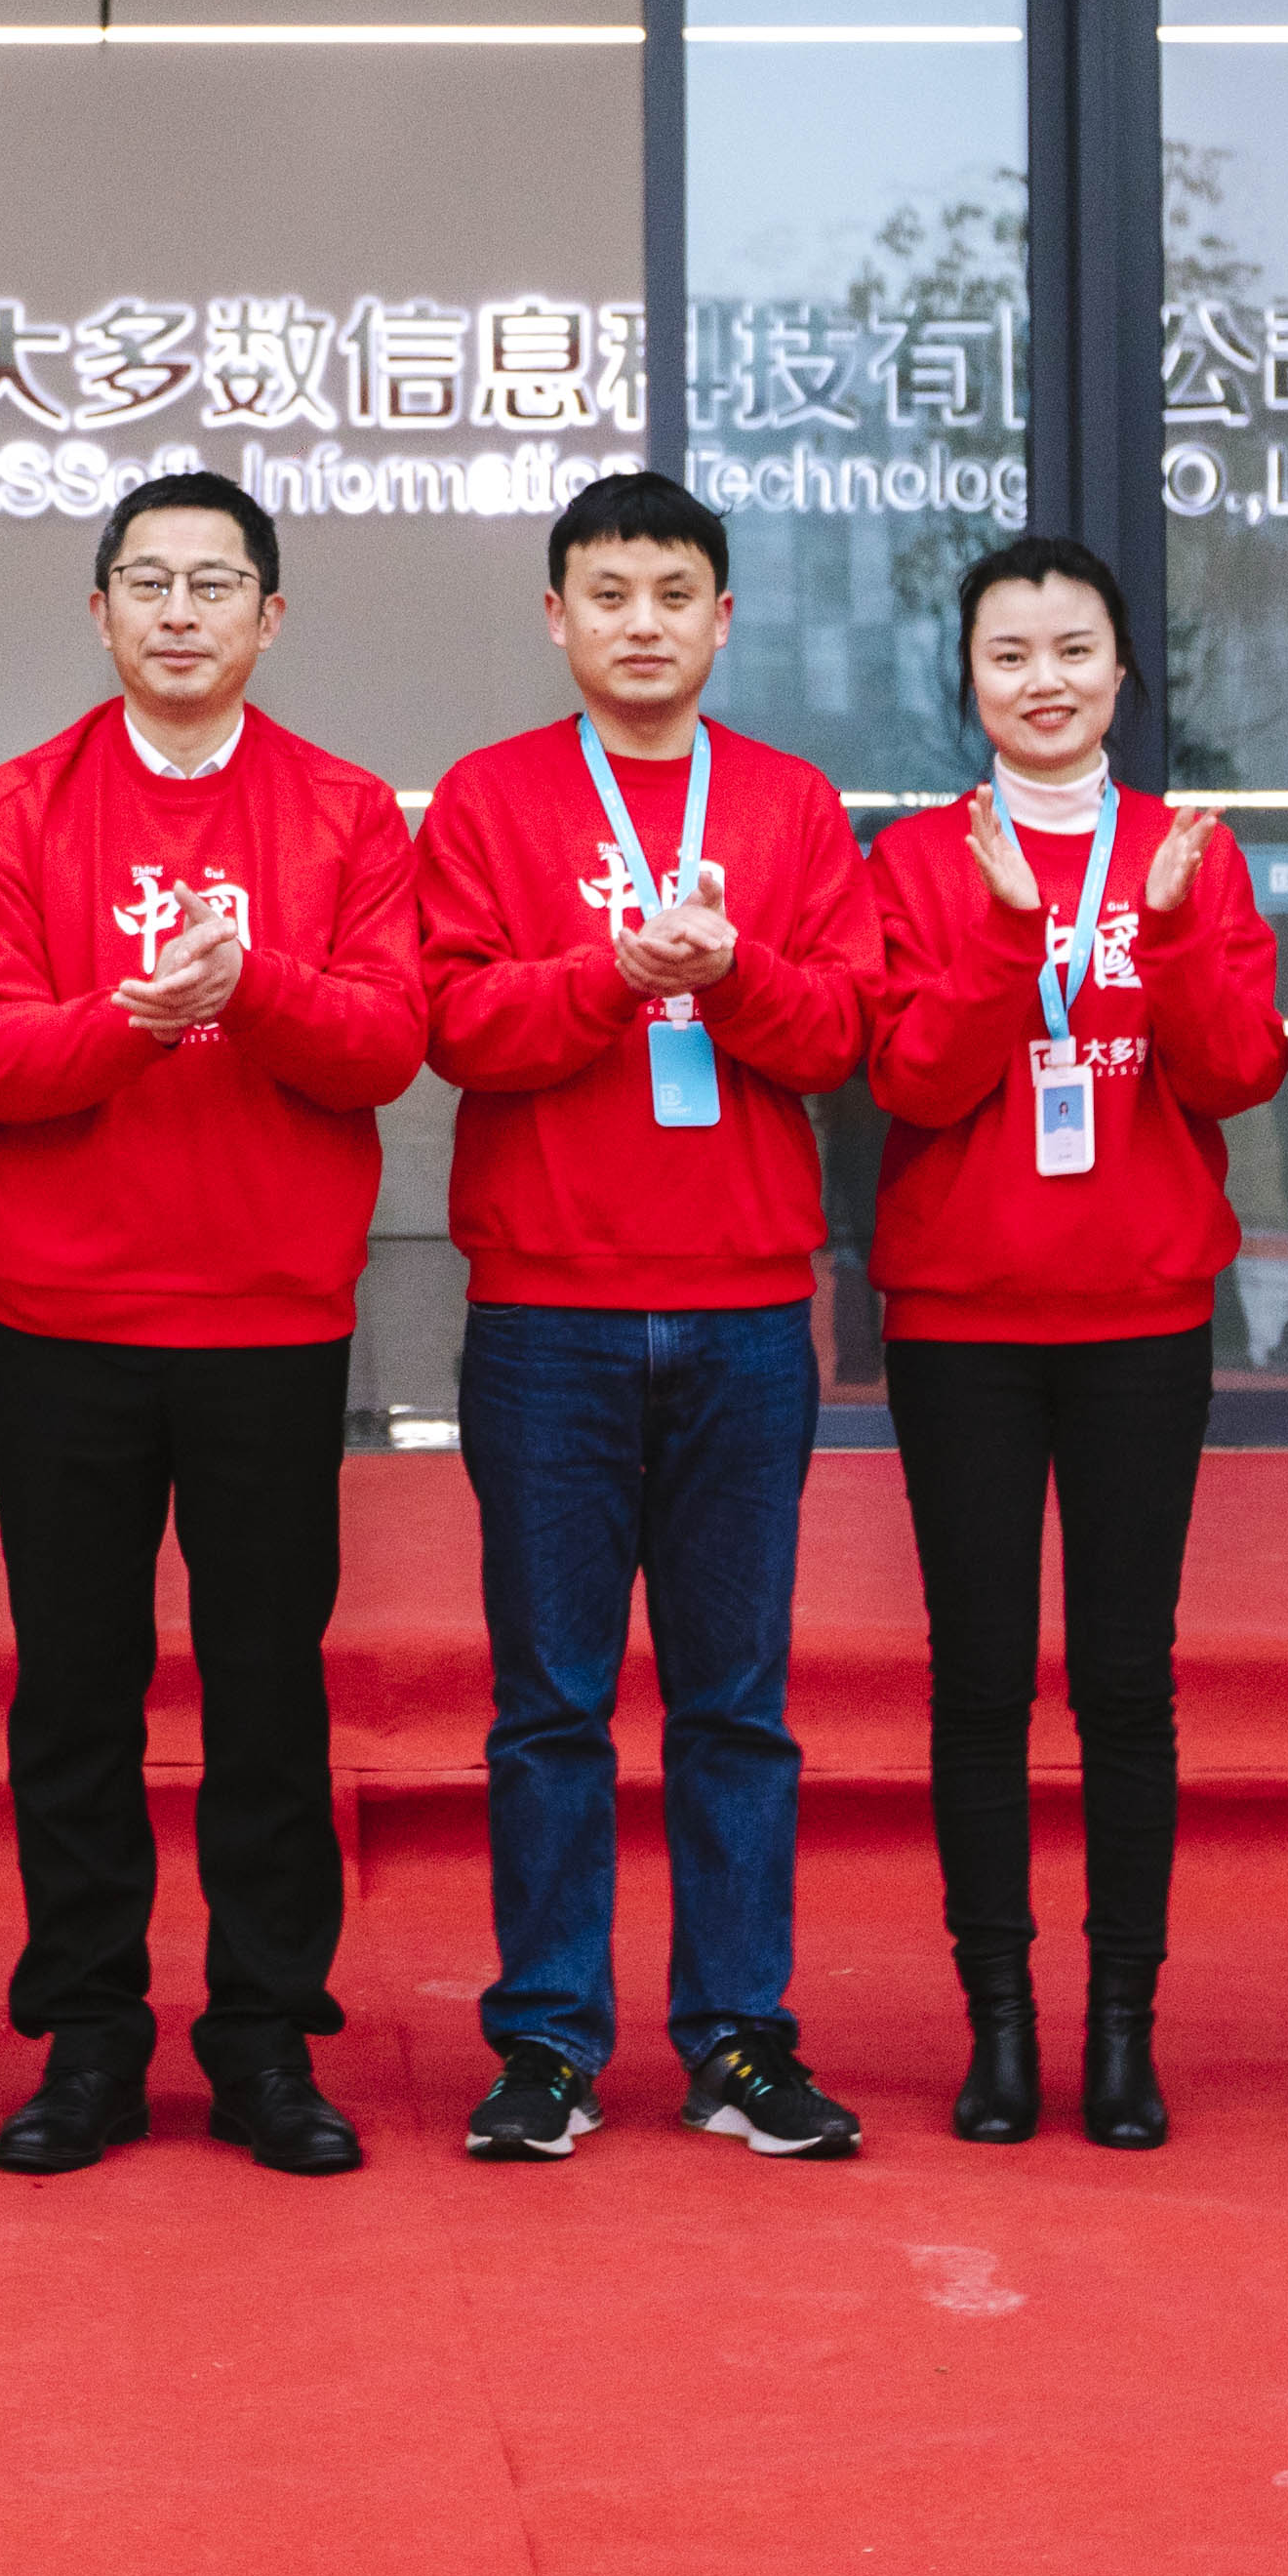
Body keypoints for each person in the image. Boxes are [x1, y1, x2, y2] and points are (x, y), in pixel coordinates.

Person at [0, 470, 424, 2181]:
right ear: (100, 613)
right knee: (76, 1693)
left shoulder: (346, 812)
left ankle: (267, 2037)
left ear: (269, 619)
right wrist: (138, 1022)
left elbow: (386, 1045)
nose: (180, 611)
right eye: (148, 581)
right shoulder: (15, 810)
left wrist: (252, 987)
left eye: (216, 584)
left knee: (267, 1692)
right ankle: (88, 2038)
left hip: (270, 1322)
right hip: (68, 1319)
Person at [415, 472, 885, 2165]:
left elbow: (841, 1035)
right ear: (557, 618)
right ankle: (547, 2042)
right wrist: (616, 975)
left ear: (723, 619)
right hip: (549, 1316)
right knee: (550, 1704)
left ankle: (739, 2037)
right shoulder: (489, 798)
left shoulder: (792, 804)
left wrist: (728, 974)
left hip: (747, 1314)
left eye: (674, 594)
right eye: (607, 595)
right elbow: (455, 1025)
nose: (641, 624)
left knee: (735, 1703)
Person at [862, 536, 1286, 2148]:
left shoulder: (1189, 852)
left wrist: (1164, 936)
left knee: (1124, 1677)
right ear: (968, 678)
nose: (1043, 681)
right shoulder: (916, 861)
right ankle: (1000, 2026)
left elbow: (1238, 1073)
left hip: (1140, 1319)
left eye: (1073, 649)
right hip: (962, 1323)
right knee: (979, 1677)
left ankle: (1123, 2029)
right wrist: (1000, 932)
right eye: (1009, 654)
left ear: (1122, 671)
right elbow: (910, 1082)